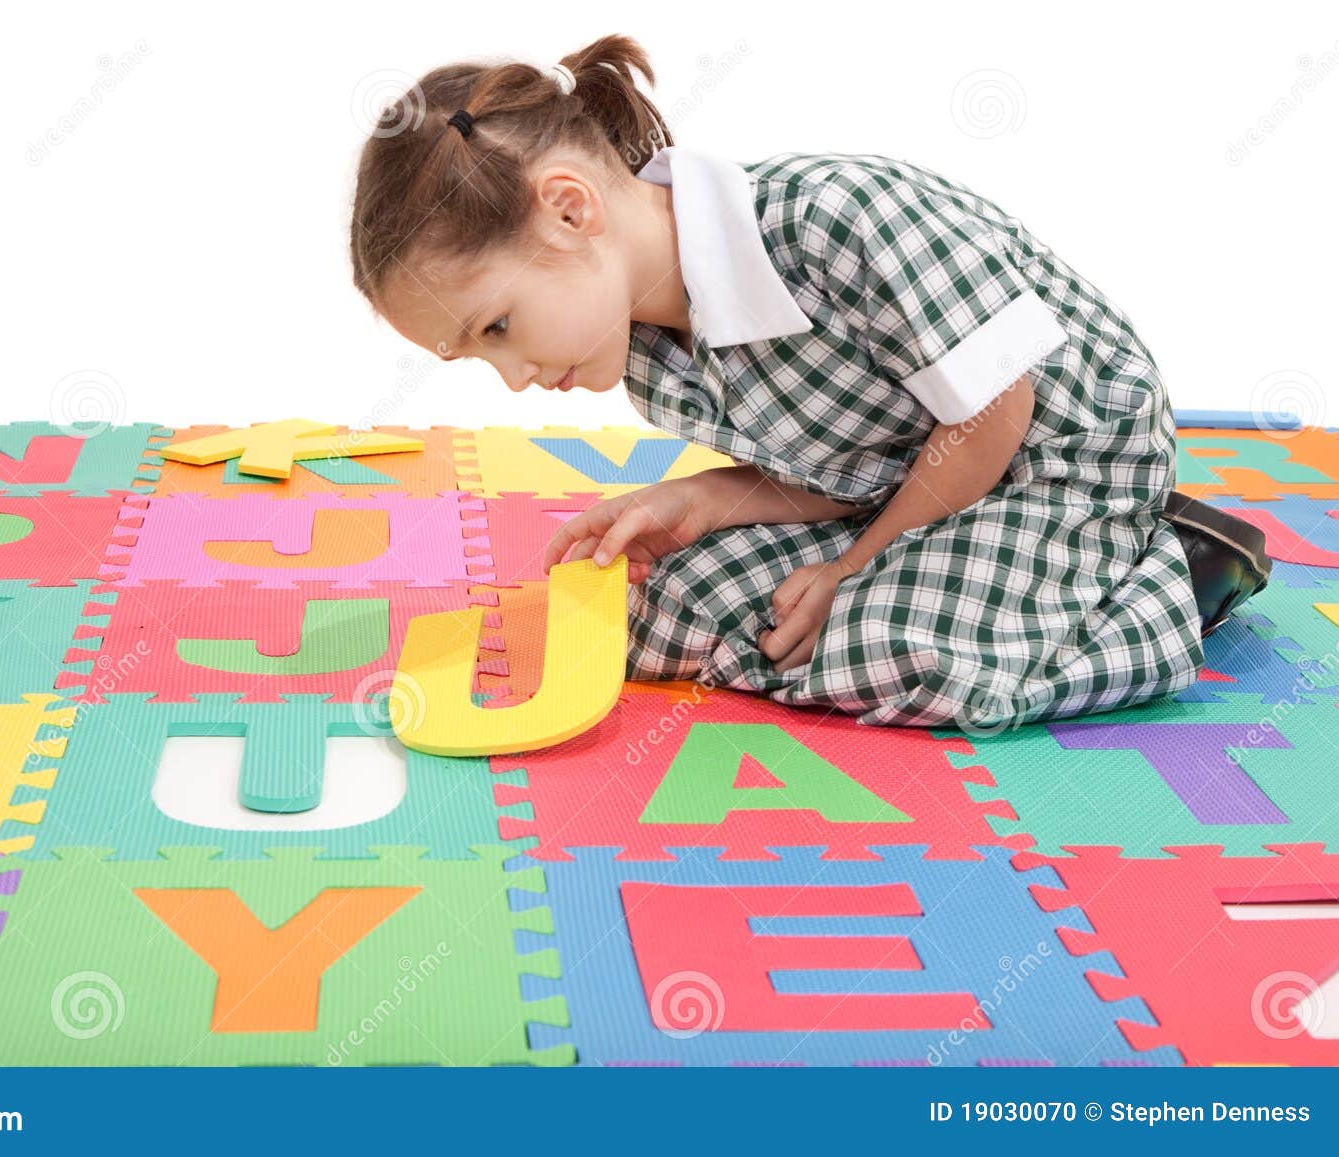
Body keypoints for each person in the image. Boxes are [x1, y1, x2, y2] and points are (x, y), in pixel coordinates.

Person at [348, 34, 1270, 730]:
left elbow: (995, 406)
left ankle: (1174, 576)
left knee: (899, 649)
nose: (512, 378)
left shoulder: (832, 219)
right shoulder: (648, 360)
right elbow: (845, 468)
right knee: (651, 615)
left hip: (1064, 452)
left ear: (570, 206)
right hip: (915, 482)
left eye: (499, 328)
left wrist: (852, 569)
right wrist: (706, 500)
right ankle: (958, 586)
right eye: (477, 356)